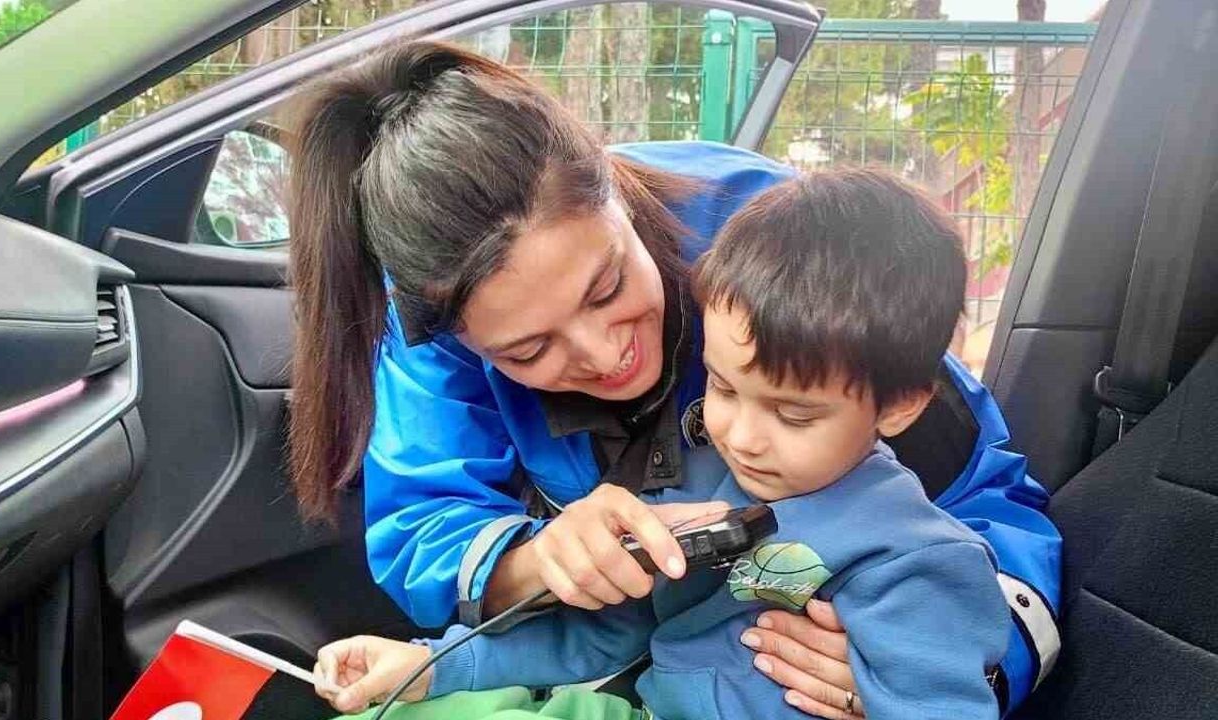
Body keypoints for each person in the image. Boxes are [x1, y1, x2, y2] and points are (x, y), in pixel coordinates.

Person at [286, 40, 1061, 717]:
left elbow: (986, 511)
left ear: (617, 192)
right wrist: (543, 560)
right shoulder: (427, 330)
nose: (601, 355)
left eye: (606, 288)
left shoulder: (782, 253)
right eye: (527, 353)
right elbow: (428, 524)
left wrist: (965, 672)